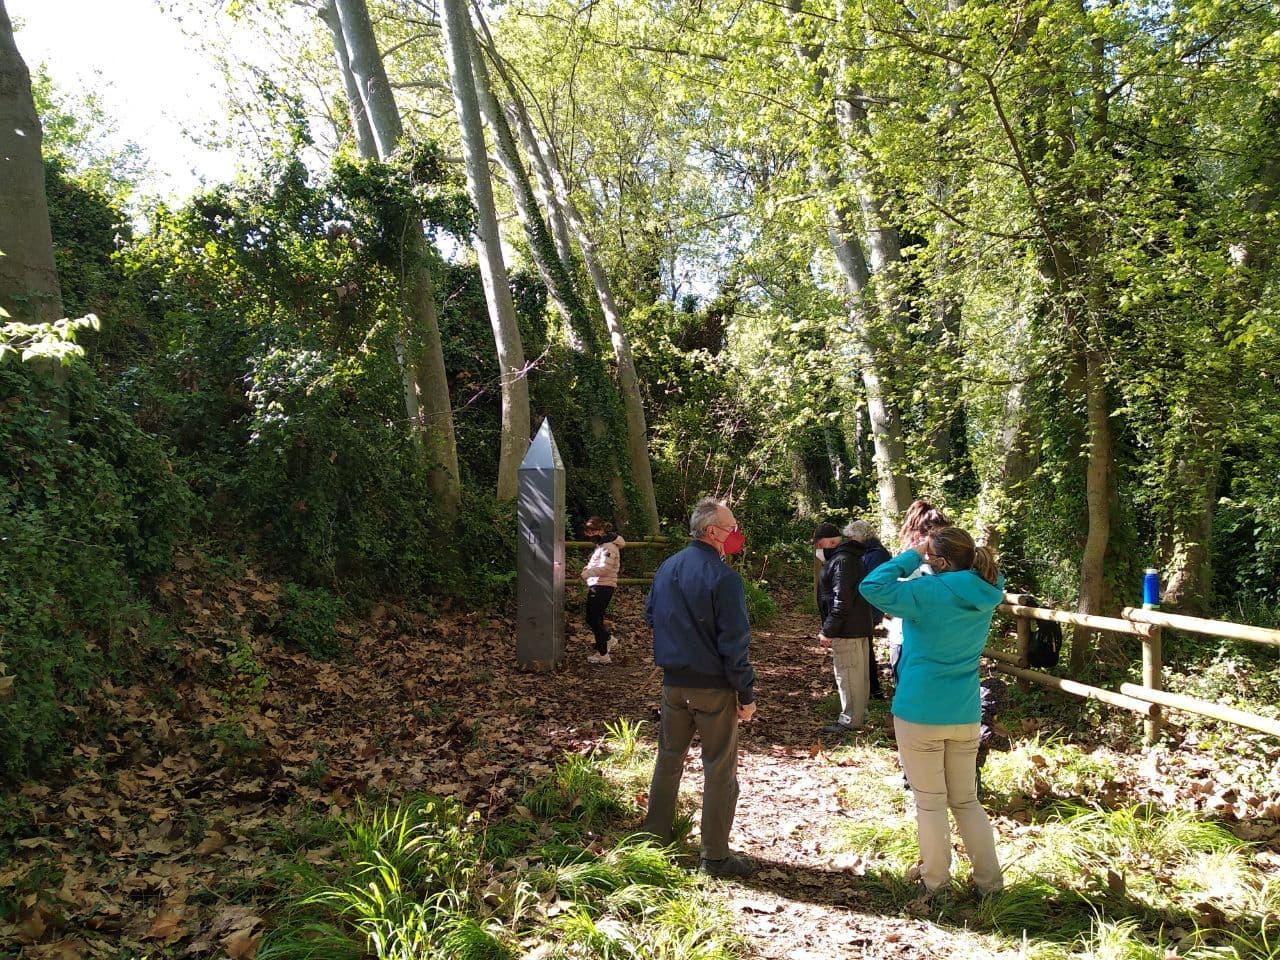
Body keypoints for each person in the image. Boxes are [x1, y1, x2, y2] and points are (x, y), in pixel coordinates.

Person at [859, 526, 1006, 899]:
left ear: (938, 560)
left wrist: (911, 554)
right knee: (966, 800)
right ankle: (990, 883)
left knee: (930, 802)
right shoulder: (987, 590)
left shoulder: (925, 592)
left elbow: (871, 586)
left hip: (920, 709)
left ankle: (936, 883)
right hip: (964, 711)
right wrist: (932, 554)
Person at [642, 497, 758, 878]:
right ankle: (716, 856)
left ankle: (654, 838)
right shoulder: (724, 578)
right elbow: (735, 642)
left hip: (673, 684)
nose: (736, 535)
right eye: (731, 528)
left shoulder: (667, 568)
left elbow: (650, 616)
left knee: (669, 759)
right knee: (720, 769)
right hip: (712, 688)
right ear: (712, 532)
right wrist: (746, 693)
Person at [812, 521, 878, 733]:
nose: (819, 551)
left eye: (820, 545)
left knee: (848, 676)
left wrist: (828, 629)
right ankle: (859, 714)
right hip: (858, 626)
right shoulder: (852, 557)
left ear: (830, 542)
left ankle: (850, 720)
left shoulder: (841, 561)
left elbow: (841, 600)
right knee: (859, 676)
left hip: (847, 629)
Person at [841, 519, 892, 698]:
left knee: (864, 648)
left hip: (869, 607)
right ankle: (869, 687)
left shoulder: (876, 554)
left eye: (852, 537)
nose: (849, 541)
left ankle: (872, 688)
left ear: (861, 536)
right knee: (864, 647)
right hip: (865, 606)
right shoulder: (869, 552)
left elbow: (872, 583)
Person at [580, 517, 625, 664]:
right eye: (588, 531)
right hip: (598, 584)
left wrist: (587, 573)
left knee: (593, 618)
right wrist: (589, 569)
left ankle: (603, 653)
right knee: (594, 618)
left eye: (592, 531)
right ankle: (606, 641)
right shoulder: (602, 545)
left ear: (600, 530)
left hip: (603, 586)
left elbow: (605, 568)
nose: (589, 534)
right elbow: (598, 564)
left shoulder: (609, 547)